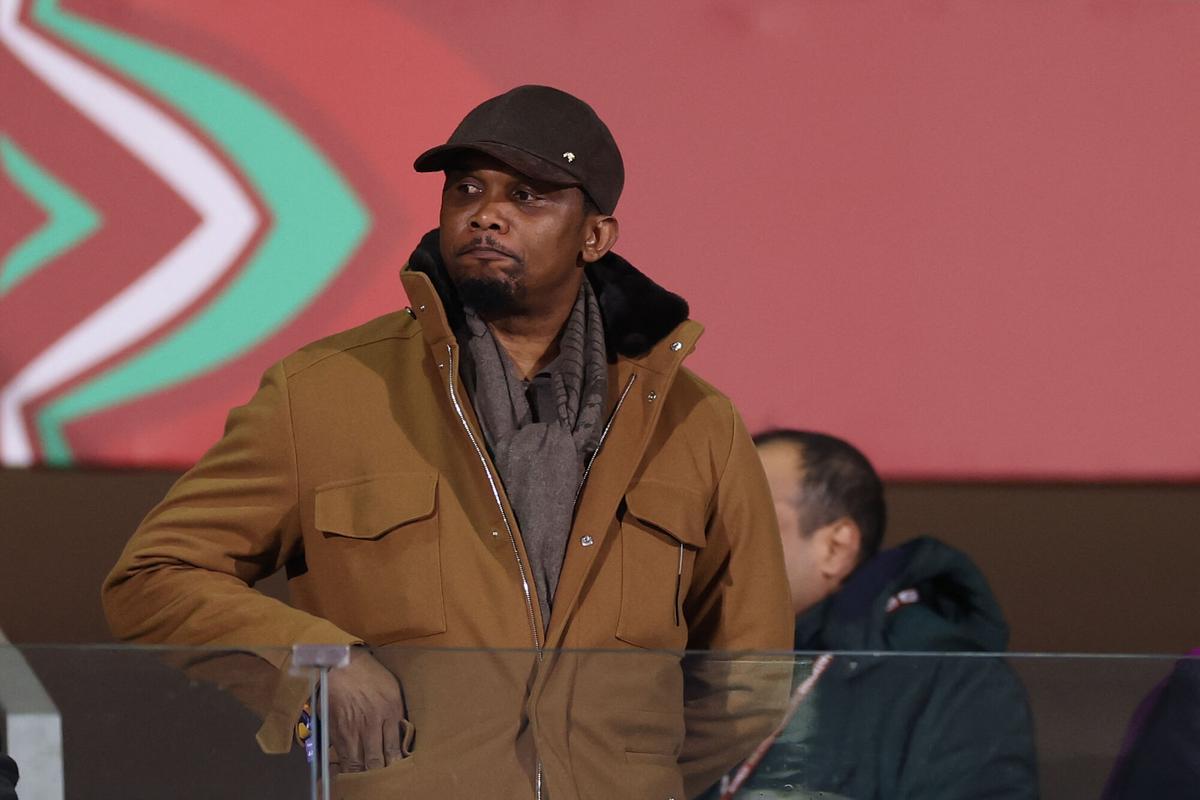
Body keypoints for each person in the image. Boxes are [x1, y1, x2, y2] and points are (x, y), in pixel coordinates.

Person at [102, 85, 792, 798]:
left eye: (528, 196)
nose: (487, 213)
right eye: (467, 188)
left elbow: (751, 681)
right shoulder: (322, 392)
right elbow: (155, 576)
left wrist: (625, 776)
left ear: (595, 237)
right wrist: (316, 664)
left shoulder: (697, 423)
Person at [729, 429, 1038, 799]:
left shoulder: (953, 680)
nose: (709, 537)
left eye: (741, 511)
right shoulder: (692, 662)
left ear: (835, 547)